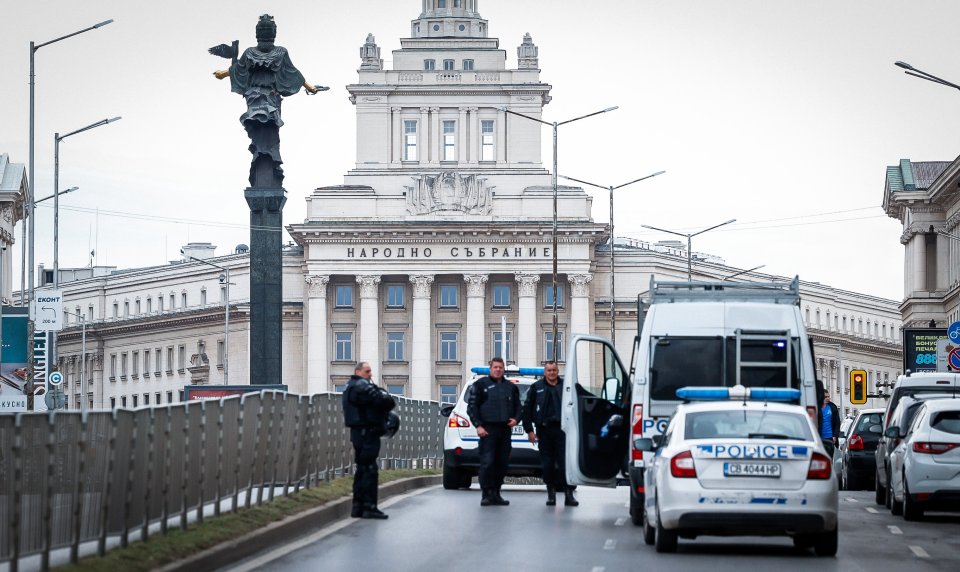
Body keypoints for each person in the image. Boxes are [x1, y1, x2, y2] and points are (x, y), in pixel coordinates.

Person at [212, 14, 328, 187]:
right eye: (264, 30)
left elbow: (292, 72)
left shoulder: (269, 52)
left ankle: (268, 161)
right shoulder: (263, 52)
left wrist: (224, 73)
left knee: (267, 130)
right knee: (260, 129)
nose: (265, 33)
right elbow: (291, 73)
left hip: (267, 97)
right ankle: (264, 162)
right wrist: (309, 87)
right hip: (259, 97)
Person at [342, 361, 396, 519]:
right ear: (358, 372)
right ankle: (369, 506)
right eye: (367, 371)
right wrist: (382, 395)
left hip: (359, 433)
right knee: (369, 469)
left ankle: (357, 507)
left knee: (362, 468)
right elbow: (385, 401)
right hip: (367, 433)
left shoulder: (350, 386)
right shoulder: (361, 386)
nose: (370, 374)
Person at [467, 357, 521, 507]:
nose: (498, 370)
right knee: (487, 463)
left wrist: (516, 419)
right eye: (495, 367)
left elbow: (518, 407)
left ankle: (496, 493)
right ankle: (486, 494)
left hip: (504, 431)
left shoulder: (510, 387)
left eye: (501, 367)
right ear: (490, 368)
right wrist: (478, 426)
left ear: (504, 369)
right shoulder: (480, 385)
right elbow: (472, 407)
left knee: (502, 464)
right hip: (488, 431)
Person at [523, 361, 578, 507]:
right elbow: (527, 409)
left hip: (563, 431)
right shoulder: (536, 388)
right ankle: (551, 494)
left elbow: (575, 405)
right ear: (544, 372)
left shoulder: (566, 386)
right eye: (549, 370)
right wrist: (529, 430)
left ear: (558, 371)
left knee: (565, 464)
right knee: (547, 465)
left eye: (554, 370)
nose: (552, 373)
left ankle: (568, 494)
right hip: (544, 431)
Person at [820, 392, 840, 456]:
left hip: (830, 437)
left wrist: (835, 436)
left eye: (828, 396)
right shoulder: (817, 408)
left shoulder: (832, 407)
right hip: (819, 437)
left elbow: (837, 422)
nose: (828, 398)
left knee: (830, 457)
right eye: (826, 397)